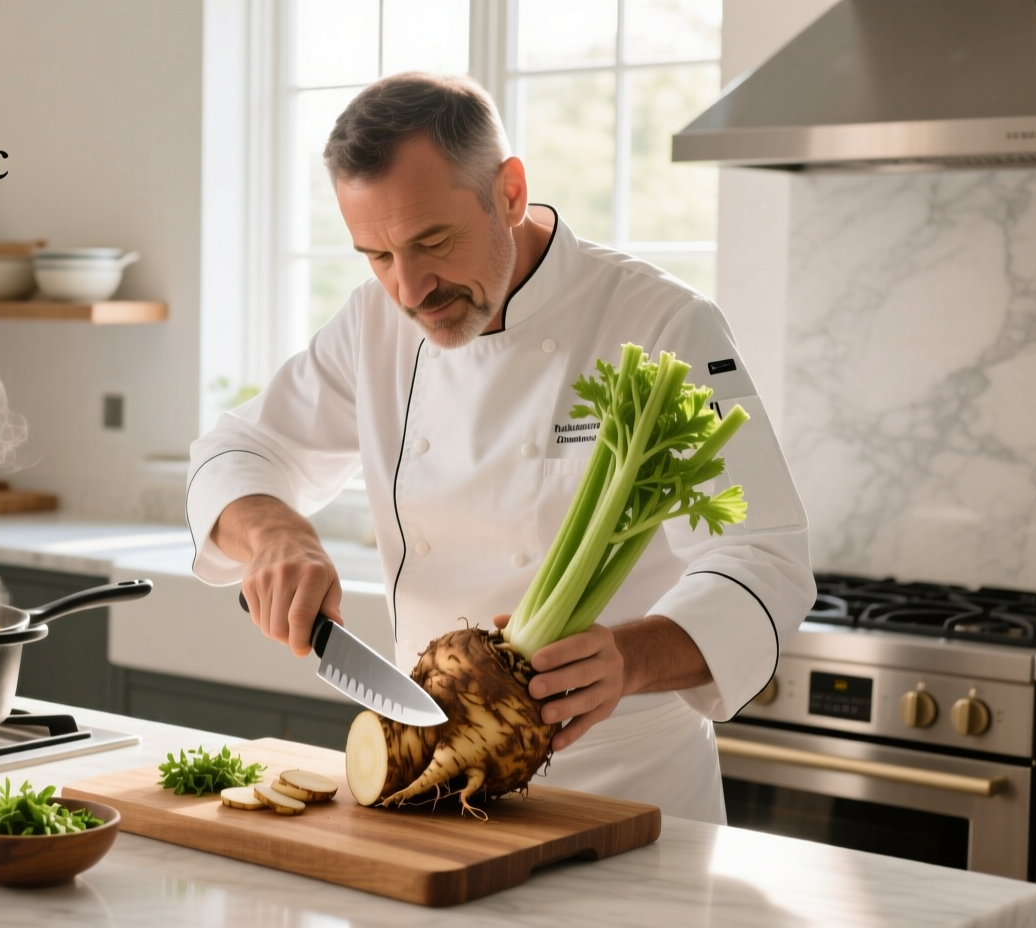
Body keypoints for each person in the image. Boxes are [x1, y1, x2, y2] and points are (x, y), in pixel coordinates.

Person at [185, 72, 813, 823]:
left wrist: (628, 657)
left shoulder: (664, 323)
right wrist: (274, 533)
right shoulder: (373, 325)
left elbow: (765, 559)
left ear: (509, 192)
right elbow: (240, 448)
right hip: (429, 779)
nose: (411, 289)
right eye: (377, 257)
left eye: (433, 242)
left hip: (622, 796)